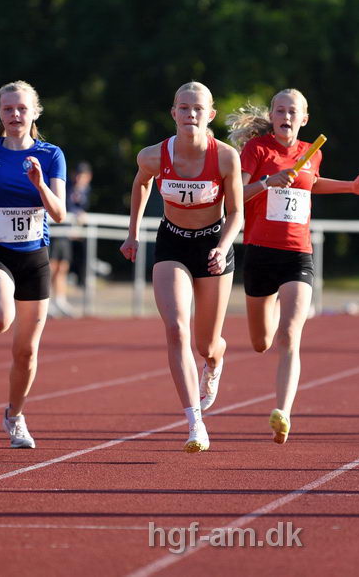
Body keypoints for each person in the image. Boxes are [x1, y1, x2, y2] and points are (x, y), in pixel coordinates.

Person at [227, 91, 359, 444]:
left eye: (293, 111)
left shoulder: (313, 151)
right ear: (273, 115)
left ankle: (283, 412)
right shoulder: (257, 150)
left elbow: (313, 183)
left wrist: (350, 188)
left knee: (290, 335)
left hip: (297, 253)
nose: (286, 116)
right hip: (260, 251)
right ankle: (274, 309)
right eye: (280, 110)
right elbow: (235, 194)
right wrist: (266, 182)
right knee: (262, 341)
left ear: (304, 119)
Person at [119, 82, 242, 453]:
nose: (191, 115)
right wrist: (133, 234)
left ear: (211, 115)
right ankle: (194, 422)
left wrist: (223, 246)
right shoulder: (153, 156)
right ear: (173, 113)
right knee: (175, 328)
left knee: (206, 343)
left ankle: (215, 361)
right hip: (171, 242)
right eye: (184, 108)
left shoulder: (225, 158)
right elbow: (141, 185)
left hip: (212, 247)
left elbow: (236, 212)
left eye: (198, 109)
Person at [0, 80, 67, 448]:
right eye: (8, 109)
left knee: (26, 352)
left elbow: (58, 213)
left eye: (22, 109)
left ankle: (14, 416)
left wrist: (40, 184)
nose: (15, 115)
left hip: (33, 256)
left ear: (35, 112)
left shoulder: (50, 154)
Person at [48, 161, 92, 318]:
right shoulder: (67, 186)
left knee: (63, 267)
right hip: (56, 230)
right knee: (51, 266)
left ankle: (60, 299)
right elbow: (63, 205)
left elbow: (82, 208)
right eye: (78, 174)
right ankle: (47, 301)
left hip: (66, 233)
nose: (80, 178)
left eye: (83, 175)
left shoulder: (86, 190)